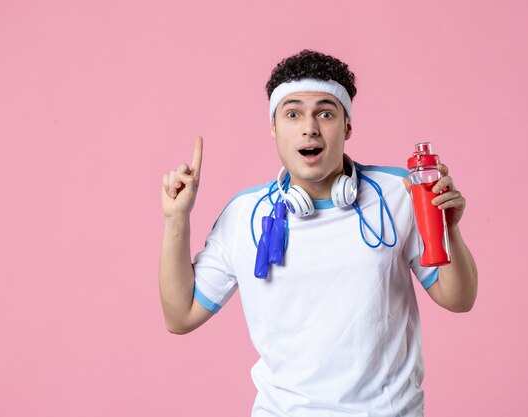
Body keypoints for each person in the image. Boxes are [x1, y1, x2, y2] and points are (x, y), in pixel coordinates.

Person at [159, 49, 477, 417]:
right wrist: (176, 221)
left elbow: (459, 299)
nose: (309, 127)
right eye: (292, 114)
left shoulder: (400, 193)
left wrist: (447, 228)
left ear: (347, 127)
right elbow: (179, 317)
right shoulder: (243, 214)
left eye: (325, 113)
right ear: (274, 128)